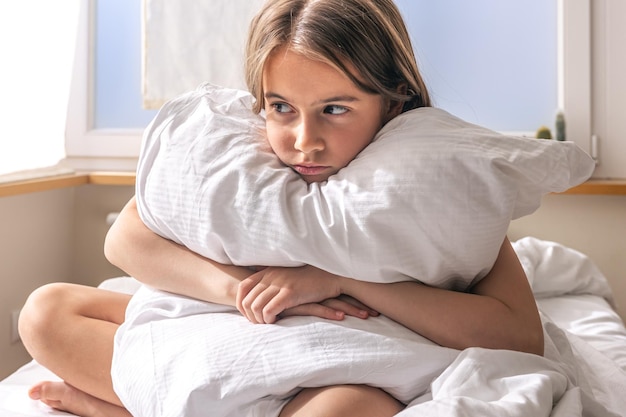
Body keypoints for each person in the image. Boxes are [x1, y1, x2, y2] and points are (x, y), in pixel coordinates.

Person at [18, 0, 544, 416]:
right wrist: (239, 290)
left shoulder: (425, 184)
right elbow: (125, 238)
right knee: (46, 312)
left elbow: (518, 337)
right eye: (281, 108)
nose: (303, 140)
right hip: (226, 329)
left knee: (345, 410)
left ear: (394, 99)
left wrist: (339, 280)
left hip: (338, 360)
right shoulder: (242, 161)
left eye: (335, 109)